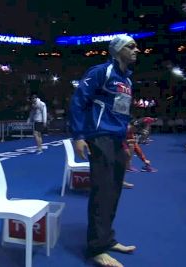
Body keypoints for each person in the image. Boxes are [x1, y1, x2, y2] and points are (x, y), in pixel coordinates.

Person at [69, 35, 139, 267]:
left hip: (117, 141)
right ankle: (95, 249)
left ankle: (107, 240)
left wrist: (125, 142)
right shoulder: (101, 71)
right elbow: (78, 101)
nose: (136, 50)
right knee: (102, 192)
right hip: (99, 138)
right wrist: (79, 136)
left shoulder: (127, 81)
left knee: (114, 191)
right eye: (131, 46)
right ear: (118, 50)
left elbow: (120, 111)